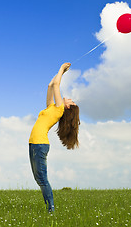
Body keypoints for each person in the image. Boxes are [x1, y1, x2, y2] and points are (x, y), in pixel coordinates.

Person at [29, 63, 80, 212]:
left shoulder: (59, 109)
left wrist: (61, 69)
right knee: (39, 179)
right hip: (34, 144)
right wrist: (61, 73)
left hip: (40, 144)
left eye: (71, 101)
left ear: (68, 107)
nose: (68, 98)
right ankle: (49, 208)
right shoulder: (51, 107)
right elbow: (51, 85)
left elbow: (57, 85)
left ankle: (51, 210)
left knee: (42, 179)